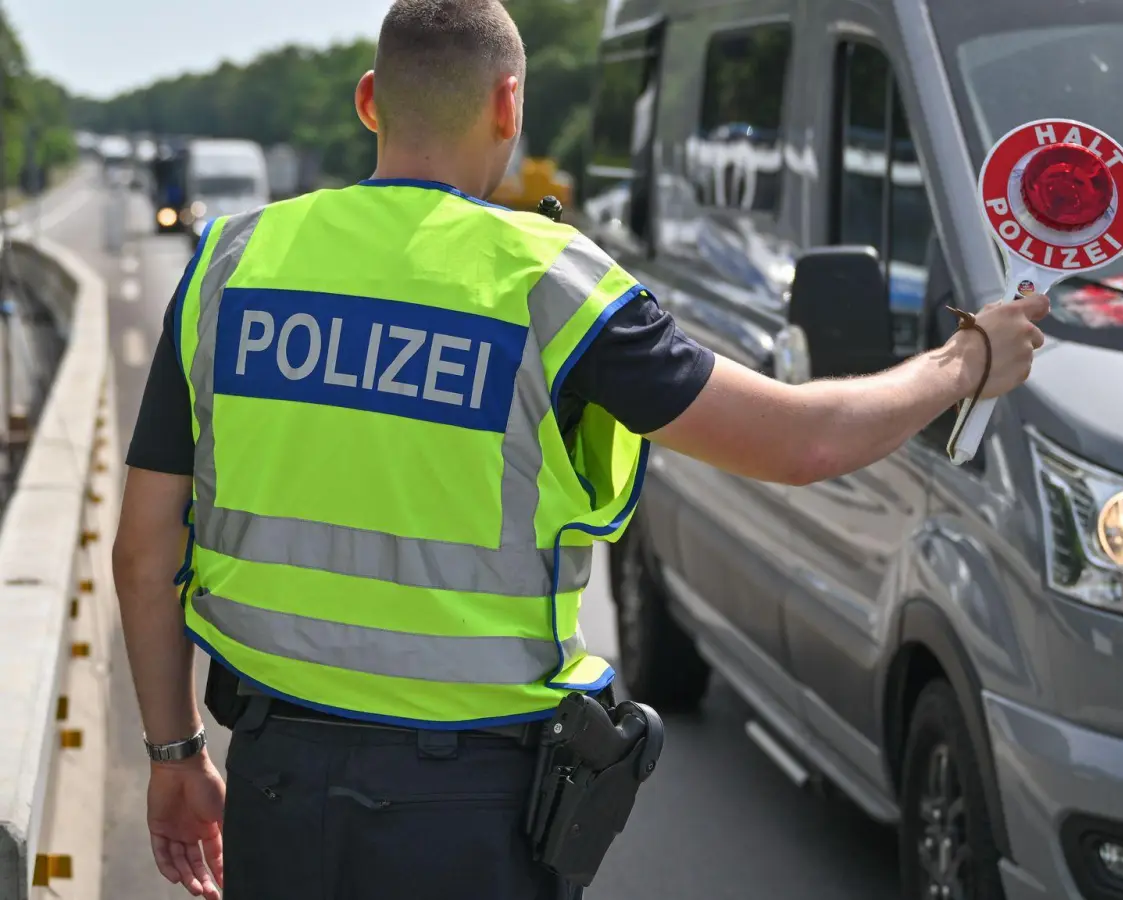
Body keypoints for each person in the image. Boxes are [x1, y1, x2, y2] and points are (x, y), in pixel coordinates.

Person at [109, 2, 1049, 898]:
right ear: (509, 102)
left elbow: (146, 556)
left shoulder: (232, 264)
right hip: (470, 810)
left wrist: (174, 754)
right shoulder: (551, 285)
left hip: (280, 785)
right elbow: (798, 442)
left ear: (368, 101)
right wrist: (967, 360)